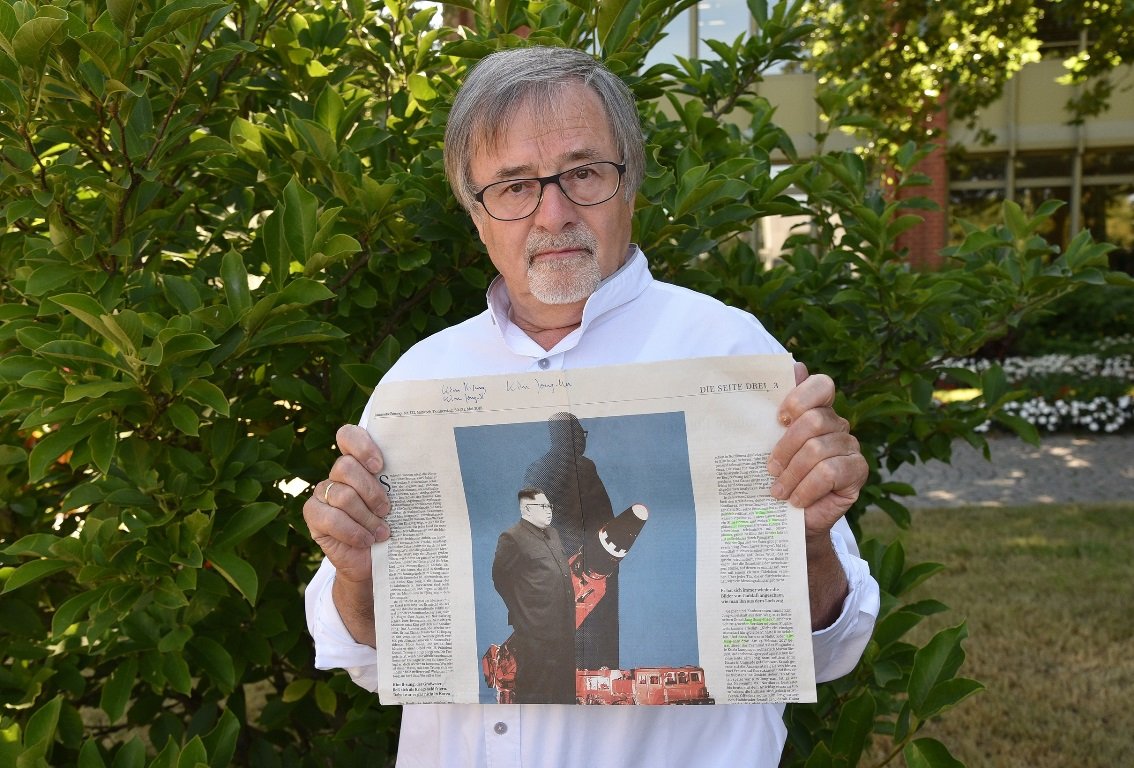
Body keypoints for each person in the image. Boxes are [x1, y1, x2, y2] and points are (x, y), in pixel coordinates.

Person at [303, 45, 879, 767]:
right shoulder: (417, 383)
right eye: (513, 185)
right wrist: (358, 570)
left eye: (583, 173)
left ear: (628, 183)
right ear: (475, 213)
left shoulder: (731, 351)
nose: (553, 212)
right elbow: (369, 656)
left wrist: (810, 537)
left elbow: (835, 645)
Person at [523, 412, 620, 668]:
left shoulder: (545, 468)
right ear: (564, 437)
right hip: (577, 566)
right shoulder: (569, 468)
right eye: (579, 433)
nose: (583, 439)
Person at [491, 488, 576, 704]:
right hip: (534, 631)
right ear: (527, 509)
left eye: (550, 506)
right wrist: (524, 613)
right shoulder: (512, 537)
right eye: (543, 506)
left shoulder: (553, 534)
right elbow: (500, 579)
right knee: (536, 687)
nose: (549, 511)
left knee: (563, 686)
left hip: (563, 628)